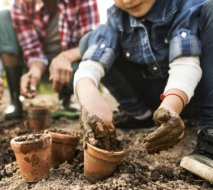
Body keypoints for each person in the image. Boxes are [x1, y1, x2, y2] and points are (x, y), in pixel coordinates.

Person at [74, 0, 213, 182]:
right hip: (156, 102)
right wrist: (90, 96)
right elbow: (90, 66)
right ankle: (140, 115)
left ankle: (210, 130)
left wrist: (171, 106)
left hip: (192, 95)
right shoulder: (116, 19)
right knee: (89, 41)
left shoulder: (185, 7)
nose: (127, 1)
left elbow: (185, 64)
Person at [0, 0, 100, 120]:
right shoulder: (22, 3)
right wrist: (35, 69)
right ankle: (15, 99)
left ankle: (66, 97)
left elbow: (93, 42)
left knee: (89, 61)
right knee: (4, 16)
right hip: (40, 67)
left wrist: (65, 57)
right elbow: (32, 49)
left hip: (71, 66)